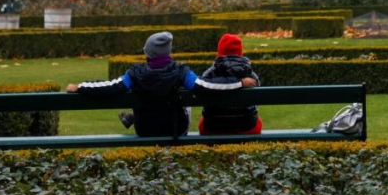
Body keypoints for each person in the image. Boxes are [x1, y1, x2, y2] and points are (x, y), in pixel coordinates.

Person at [66, 31, 254, 137]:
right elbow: (206, 86)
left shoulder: (135, 73)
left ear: (148, 53)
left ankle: (132, 116)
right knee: (186, 95)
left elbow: (111, 87)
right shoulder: (181, 71)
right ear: (168, 52)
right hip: (174, 129)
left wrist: (80, 87)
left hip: (145, 129)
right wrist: (238, 83)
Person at [198, 33, 262, 134]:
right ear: (240, 52)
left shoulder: (210, 73)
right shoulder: (250, 74)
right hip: (247, 128)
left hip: (213, 129)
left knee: (202, 122)